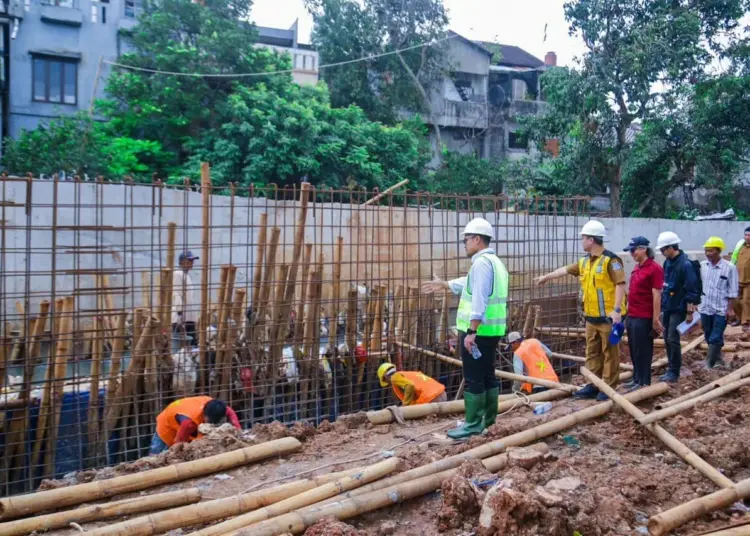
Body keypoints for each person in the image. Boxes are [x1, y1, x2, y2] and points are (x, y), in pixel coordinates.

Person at [422, 217, 508, 439]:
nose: (464, 244)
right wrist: (445, 284)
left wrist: (471, 331)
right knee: (487, 374)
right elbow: (471, 283)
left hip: (478, 332)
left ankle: (472, 424)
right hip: (492, 331)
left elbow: (479, 298)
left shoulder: (481, 263)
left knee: (473, 377)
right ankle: (488, 420)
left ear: (477, 239)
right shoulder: (494, 262)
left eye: (466, 239)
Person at [534, 220, 626, 401]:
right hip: (591, 318)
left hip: (608, 318)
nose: (582, 241)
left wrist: (616, 310)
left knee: (610, 353)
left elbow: (620, 284)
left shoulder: (611, 260)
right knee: (591, 353)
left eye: (583, 238)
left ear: (591, 240)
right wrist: (546, 277)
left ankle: (607, 388)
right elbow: (565, 270)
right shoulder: (584, 262)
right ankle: (593, 384)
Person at [657, 231, 701, 383]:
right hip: (668, 306)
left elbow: (692, 290)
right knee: (666, 338)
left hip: (679, 307)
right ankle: (671, 366)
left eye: (663, 249)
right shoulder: (668, 263)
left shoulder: (686, 264)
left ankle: (674, 371)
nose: (662, 253)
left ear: (671, 247)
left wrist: (690, 312)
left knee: (672, 338)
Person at [622, 236, 664, 390]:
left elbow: (656, 295)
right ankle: (636, 378)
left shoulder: (655, 269)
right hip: (632, 315)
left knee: (643, 350)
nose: (632, 254)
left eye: (634, 250)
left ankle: (644, 381)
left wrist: (655, 319)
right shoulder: (637, 267)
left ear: (643, 249)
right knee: (634, 349)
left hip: (644, 317)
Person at [150, 396, 240, 455]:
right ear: (205, 415)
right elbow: (179, 443)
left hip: (184, 418)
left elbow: (229, 411)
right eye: (210, 421)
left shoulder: (213, 404)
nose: (211, 424)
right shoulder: (188, 423)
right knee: (157, 455)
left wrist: (238, 428)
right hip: (166, 426)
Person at [700, 237, 738, 369]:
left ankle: (709, 364)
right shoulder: (703, 266)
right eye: (706, 251)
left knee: (715, 337)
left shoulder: (729, 268)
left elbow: (733, 291)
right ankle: (719, 359)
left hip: (721, 309)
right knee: (708, 334)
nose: (708, 253)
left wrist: (730, 309)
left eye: (711, 251)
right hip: (705, 308)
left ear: (718, 251)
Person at [377, 363, 447, 405]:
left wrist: (406, 405)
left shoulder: (394, 377)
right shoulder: (408, 374)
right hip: (442, 393)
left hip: (431, 398)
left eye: (384, 380)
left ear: (385, 376)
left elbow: (410, 386)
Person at [173, 251, 199, 346]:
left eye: (192, 260)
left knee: (191, 345)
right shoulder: (178, 274)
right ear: (181, 262)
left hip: (189, 317)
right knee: (181, 346)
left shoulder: (186, 275)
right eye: (189, 260)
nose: (191, 263)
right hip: (182, 318)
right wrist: (180, 313)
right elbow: (176, 293)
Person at [730, 227, 750, 329]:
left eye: (749, 235)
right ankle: (739, 318)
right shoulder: (740, 246)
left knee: (746, 301)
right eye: (746, 235)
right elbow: (733, 259)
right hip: (738, 279)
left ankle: (746, 323)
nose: (747, 237)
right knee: (735, 300)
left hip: (749, 281)